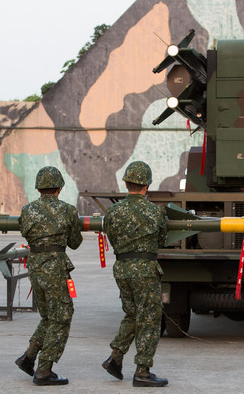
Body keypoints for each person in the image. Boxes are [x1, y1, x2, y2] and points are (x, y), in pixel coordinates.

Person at [101, 161, 168, 388]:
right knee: (149, 318)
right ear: (146, 186)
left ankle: (115, 358)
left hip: (122, 268)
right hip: (145, 270)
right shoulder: (155, 211)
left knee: (131, 314)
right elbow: (162, 239)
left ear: (127, 183)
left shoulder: (112, 211)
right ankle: (142, 371)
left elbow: (111, 238)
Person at [15, 166, 82, 385]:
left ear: (38, 187)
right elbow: (75, 242)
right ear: (59, 188)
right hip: (55, 268)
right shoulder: (68, 210)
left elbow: (25, 231)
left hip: (34, 267)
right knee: (61, 317)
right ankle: (44, 369)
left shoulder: (27, 210)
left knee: (48, 317)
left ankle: (29, 357)